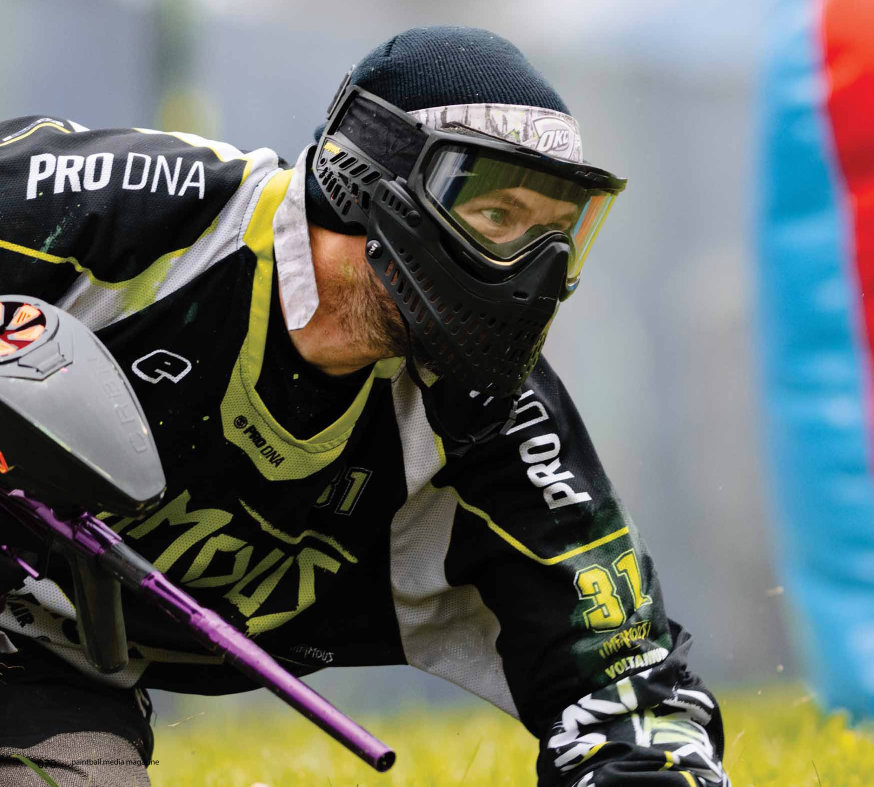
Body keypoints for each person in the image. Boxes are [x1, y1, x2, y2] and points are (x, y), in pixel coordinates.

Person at [0, 26, 729, 787]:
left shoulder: (483, 416)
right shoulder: (133, 210)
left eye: (554, 231)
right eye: (496, 215)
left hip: (35, 667)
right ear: (367, 180)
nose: (532, 269)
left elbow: (628, 690)